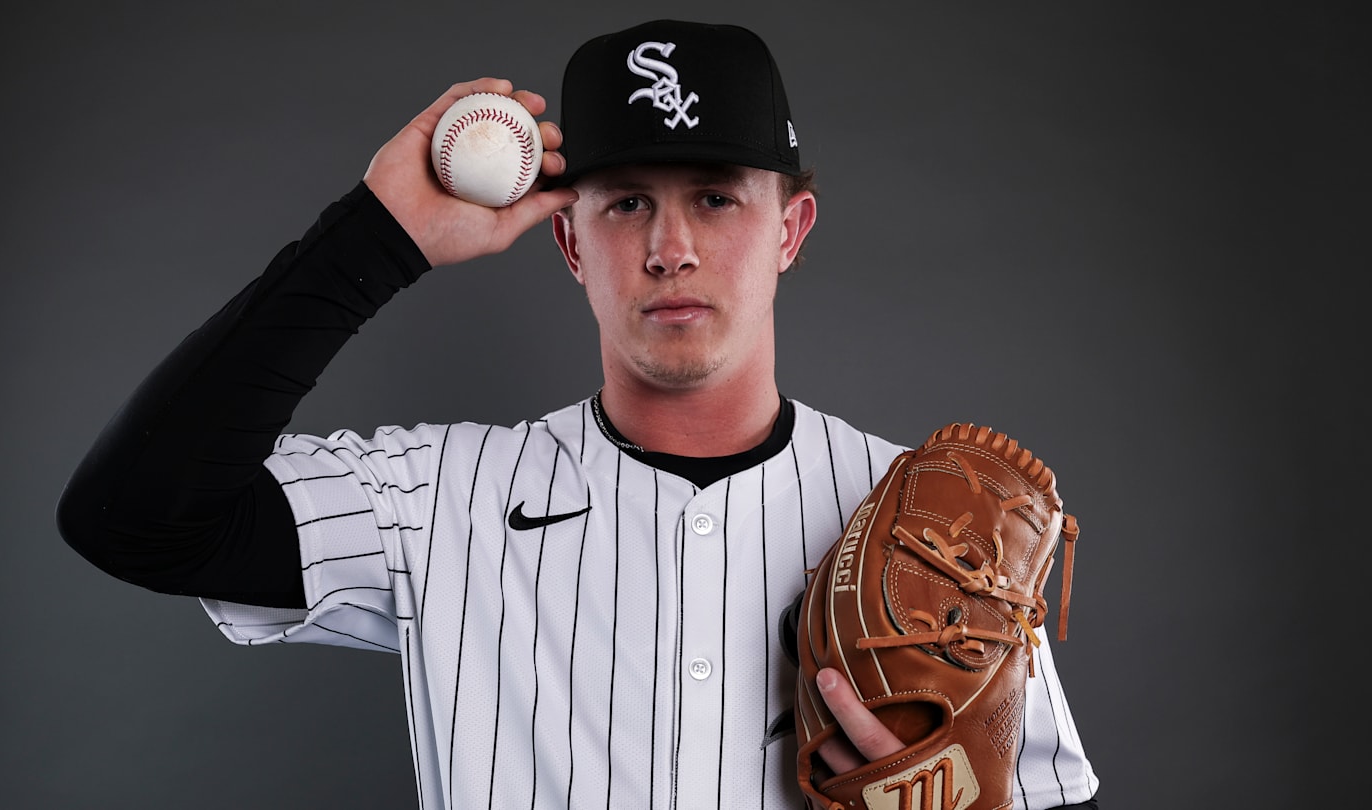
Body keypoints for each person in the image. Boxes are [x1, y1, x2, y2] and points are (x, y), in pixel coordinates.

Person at [57, 18, 1099, 810]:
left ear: (792, 228)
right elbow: (134, 517)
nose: (670, 247)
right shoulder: (438, 504)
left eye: (717, 196)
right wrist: (373, 240)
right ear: (571, 244)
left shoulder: (940, 530)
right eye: (627, 201)